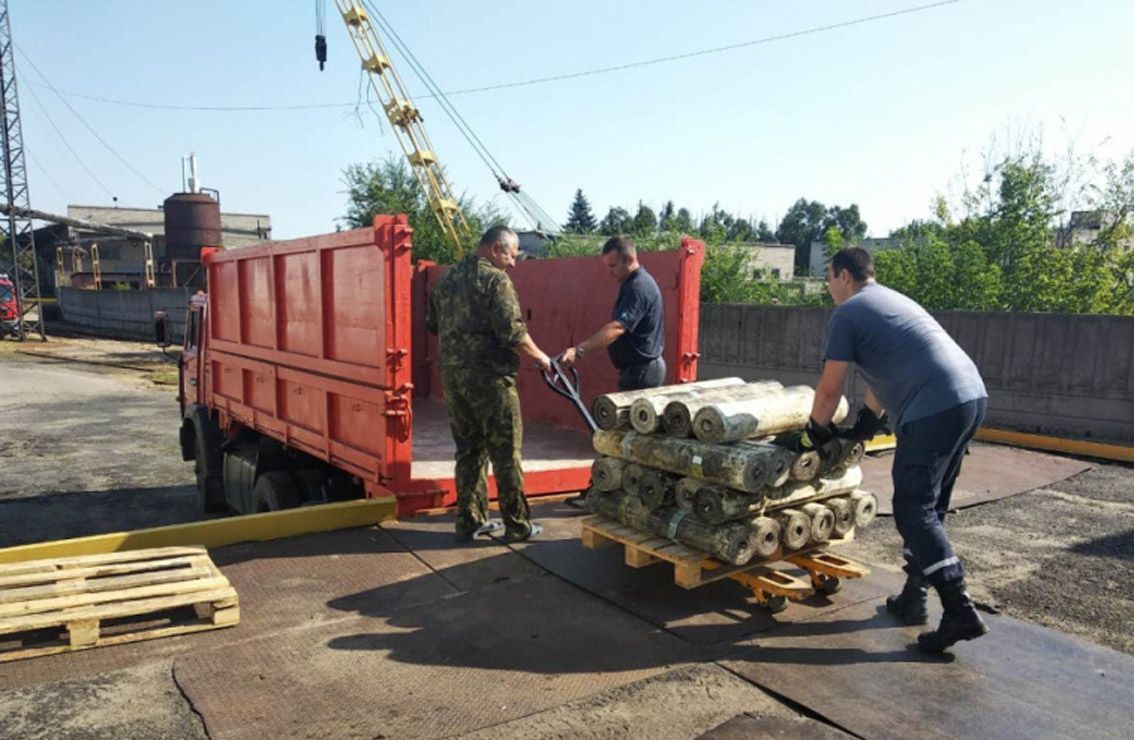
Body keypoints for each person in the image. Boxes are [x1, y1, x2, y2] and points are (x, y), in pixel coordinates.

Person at [804, 247, 989, 653]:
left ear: (845, 276)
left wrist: (817, 430)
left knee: (913, 508)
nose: (828, 286)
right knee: (932, 505)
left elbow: (830, 386)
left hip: (934, 407)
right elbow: (887, 371)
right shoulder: (891, 301)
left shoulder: (849, 312)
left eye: (829, 277)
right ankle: (913, 596)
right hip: (969, 397)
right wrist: (869, 421)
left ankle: (959, 610)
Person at [426, 225, 552, 543]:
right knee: (506, 452)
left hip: (454, 379)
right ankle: (517, 525)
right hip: (490, 380)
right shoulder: (495, 280)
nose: (513, 263)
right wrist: (541, 357)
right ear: (496, 248)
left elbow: (432, 325)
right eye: (510, 255)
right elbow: (512, 333)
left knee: (468, 450)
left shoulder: (446, 281)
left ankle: (469, 521)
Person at [559, 235, 665, 391]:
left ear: (629, 260)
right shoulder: (631, 284)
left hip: (642, 372)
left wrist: (580, 350)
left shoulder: (638, 287)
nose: (609, 272)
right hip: (637, 370)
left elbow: (617, 328)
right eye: (607, 266)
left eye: (613, 266)